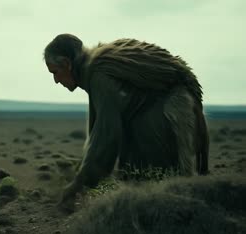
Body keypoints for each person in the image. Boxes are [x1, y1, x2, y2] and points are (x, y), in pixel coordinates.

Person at [43, 34, 209, 212]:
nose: (56, 80)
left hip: (168, 109)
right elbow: (102, 129)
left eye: (55, 72)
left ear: (67, 64)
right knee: (138, 176)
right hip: (157, 107)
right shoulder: (96, 69)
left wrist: (79, 183)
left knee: (161, 185)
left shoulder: (99, 74)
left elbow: (106, 134)